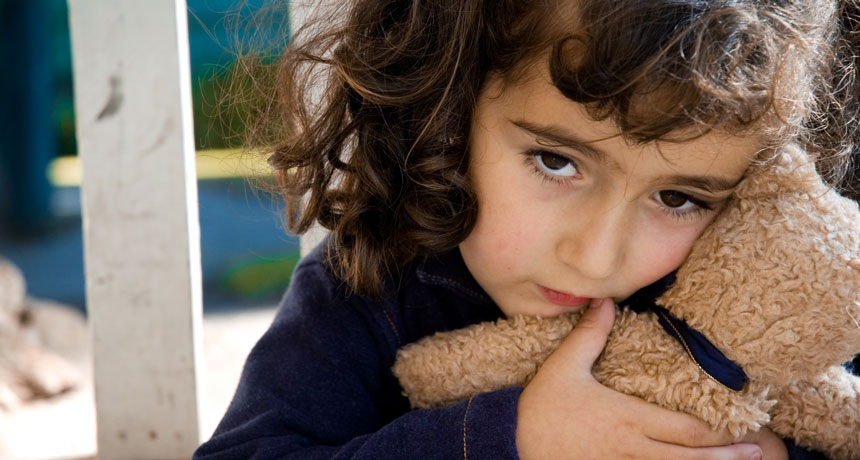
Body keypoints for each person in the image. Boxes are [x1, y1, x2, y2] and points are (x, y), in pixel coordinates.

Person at [194, 0, 860, 458]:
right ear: (449, 106)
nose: (597, 258)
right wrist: (511, 438)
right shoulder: (372, 284)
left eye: (680, 196)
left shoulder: (765, 302)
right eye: (556, 160)